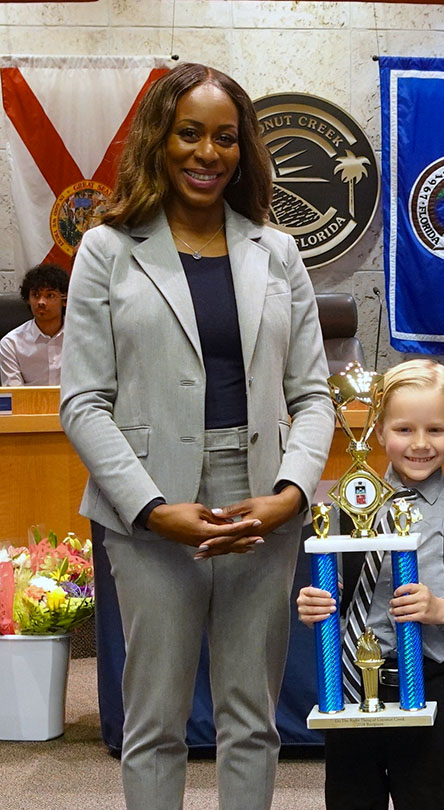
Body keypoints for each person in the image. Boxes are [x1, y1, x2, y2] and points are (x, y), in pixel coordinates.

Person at [59, 63, 334, 810]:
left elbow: (313, 395)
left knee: (253, 720)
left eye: (224, 137)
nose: (206, 153)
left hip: (261, 508)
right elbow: (83, 401)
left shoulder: (277, 251)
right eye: (189, 133)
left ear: (243, 148)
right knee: (154, 722)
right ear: (159, 138)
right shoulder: (107, 250)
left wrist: (290, 494)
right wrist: (151, 510)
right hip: (149, 511)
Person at [297, 359, 444, 810]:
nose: (419, 444)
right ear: (378, 432)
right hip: (352, 686)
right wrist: (316, 605)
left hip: (433, 684)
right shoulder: (345, 508)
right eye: (404, 429)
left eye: (436, 430)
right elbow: (332, 591)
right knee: (351, 799)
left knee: (425, 799)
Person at [0, 263, 69, 385]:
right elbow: (15, 396)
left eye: (50, 295)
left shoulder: (81, 337)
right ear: (28, 299)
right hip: (29, 403)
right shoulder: (11, 344)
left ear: (64, 300)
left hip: (73, 404)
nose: (41, 302)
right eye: (36, 295)